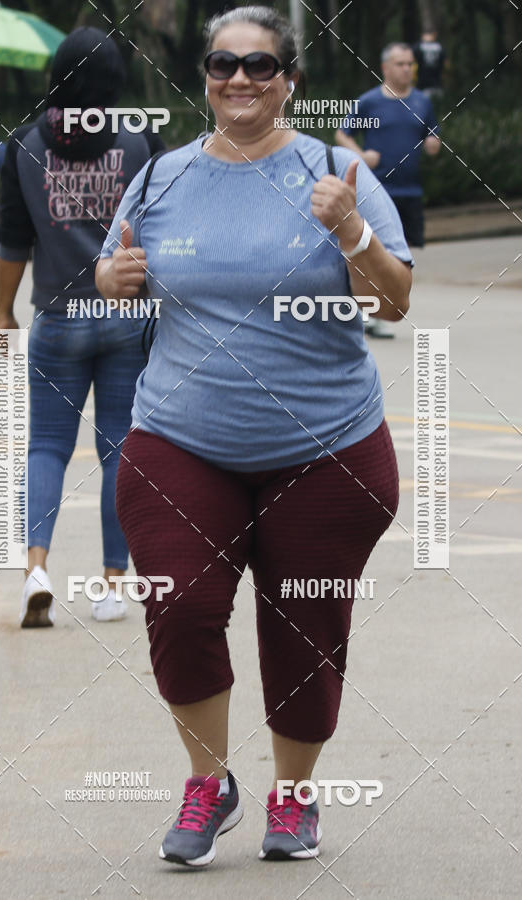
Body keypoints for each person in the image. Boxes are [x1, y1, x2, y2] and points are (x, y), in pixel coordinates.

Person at [97, 6, 411, 866]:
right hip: (179, 438)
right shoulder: (161, 177)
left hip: (327, 447)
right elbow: (111, 266)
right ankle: (209, 784)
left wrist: (350, 231)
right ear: (204, 76)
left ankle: (295, 798)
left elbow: (392, 300)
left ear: (290, 81)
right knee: (181, 603)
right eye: (223, 63)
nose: (241, 79)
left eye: (261, 65)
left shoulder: (337, 170)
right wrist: (113, 278)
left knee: (304, 627)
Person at [0, 28, 163, 627]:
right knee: (119, 446)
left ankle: (36, 570)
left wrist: (4, 311)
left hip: (58, 319)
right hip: (124, 317)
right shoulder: (142, 142)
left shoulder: (25, 146)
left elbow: (15, 239)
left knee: (45, 447)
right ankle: (112, 584)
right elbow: (160, 231)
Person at [335, 42, 440, 337]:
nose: (406, 69)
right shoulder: (369, 102)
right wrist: (361, 155)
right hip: (376, 192)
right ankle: (368, 314)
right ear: (385, 68)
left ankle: (381, 307)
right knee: (370, 252)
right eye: (400, 64)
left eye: (410, 64)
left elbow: (432, 131)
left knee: (399, 257)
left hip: (410, 192)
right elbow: (343, 133)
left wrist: (433, 143)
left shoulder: (422, 102)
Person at [413, 30, 446, 98]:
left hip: (422, 84)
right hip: (437, 83)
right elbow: (446, 64)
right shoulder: (440, 47)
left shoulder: (418, 47)